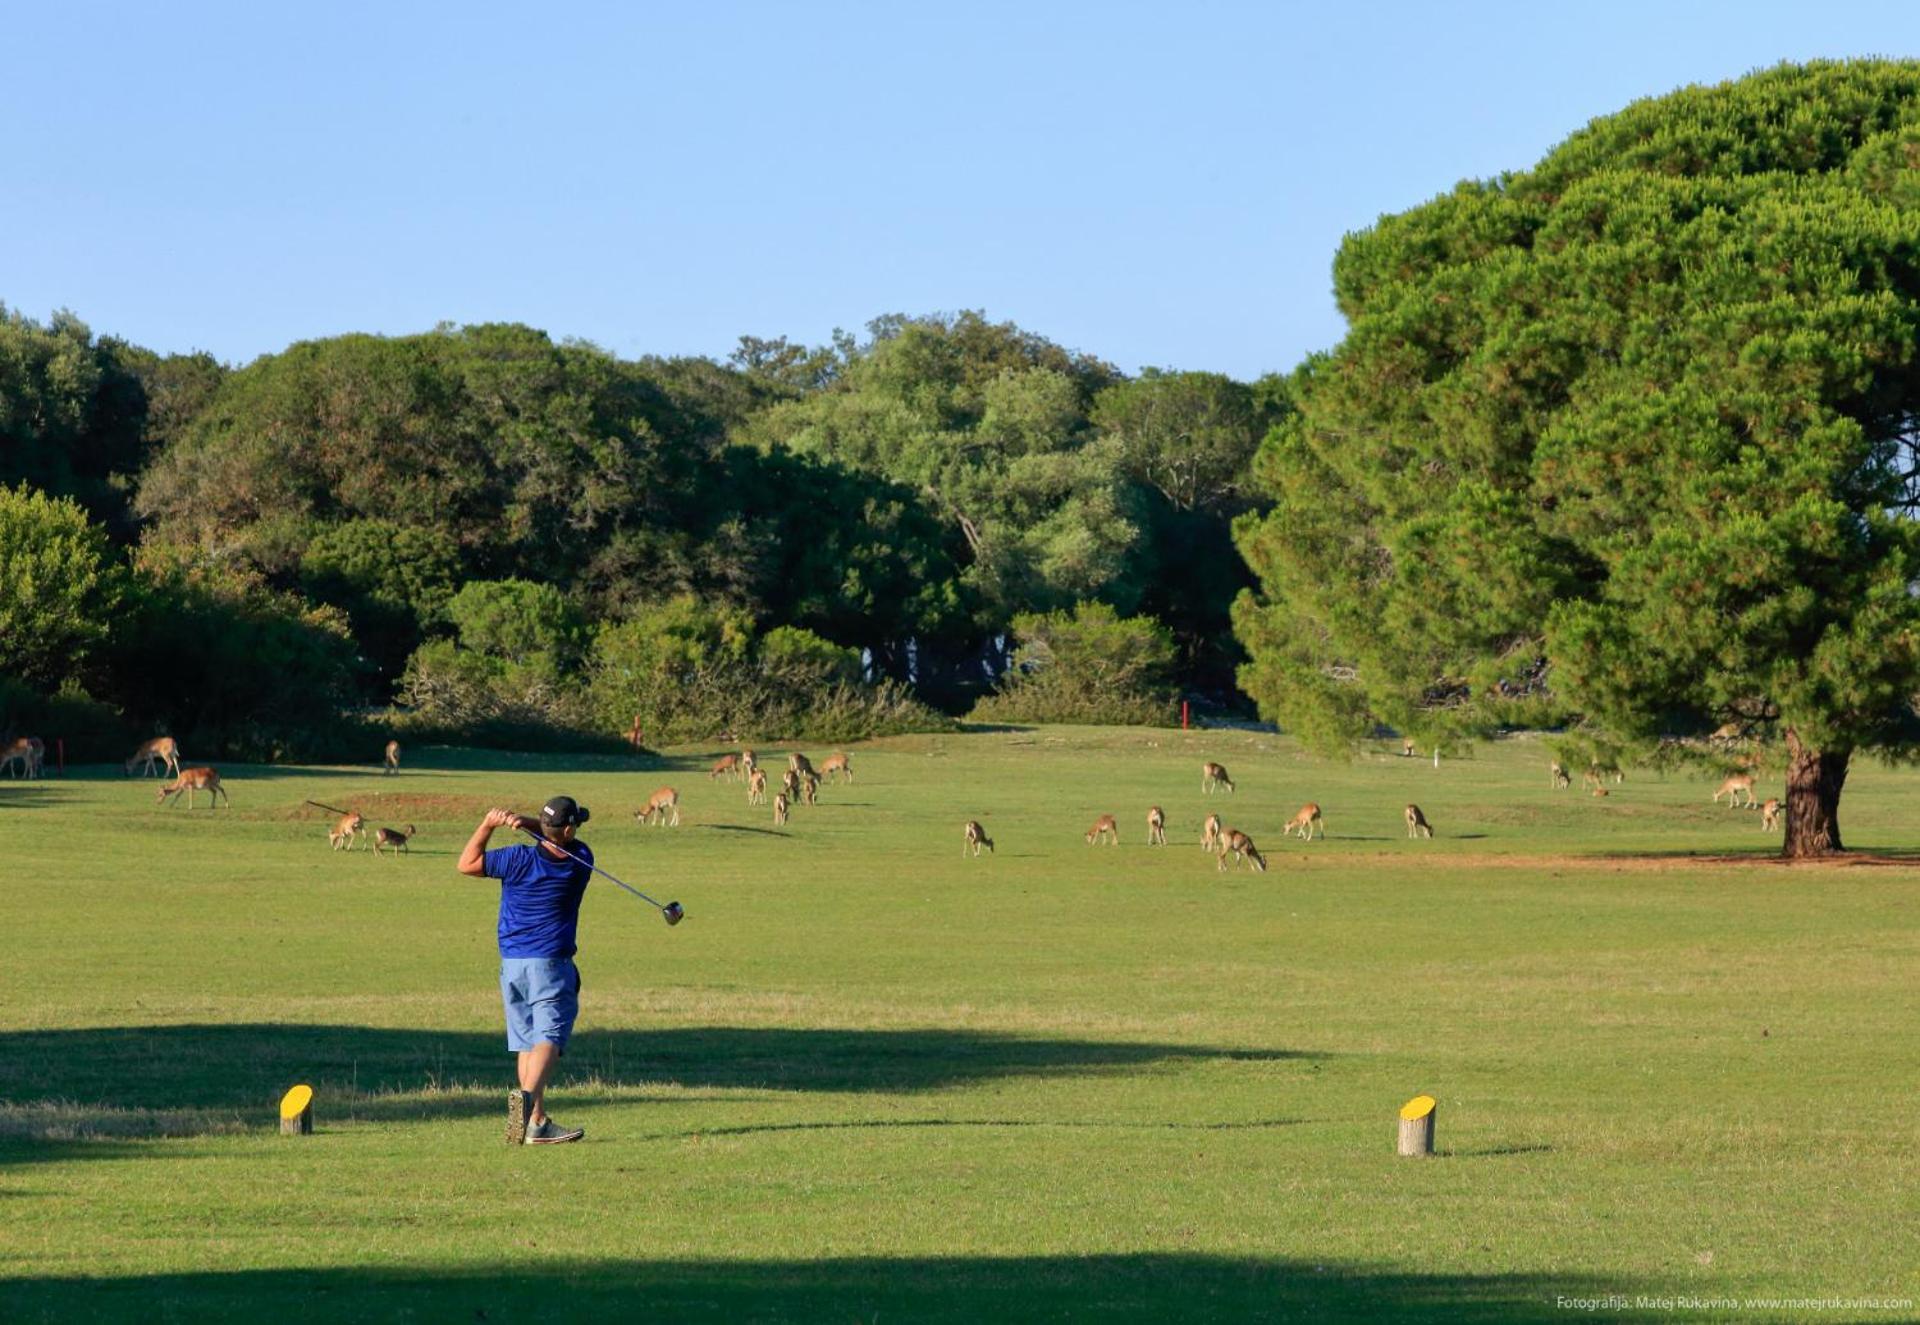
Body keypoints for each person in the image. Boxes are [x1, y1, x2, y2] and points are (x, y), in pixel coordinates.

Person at [457, 796, 595, 1145]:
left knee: (527, 1043)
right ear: (568, 829)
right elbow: (559, 841)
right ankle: (526, 1099)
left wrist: (489, 825)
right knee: (549, 1036)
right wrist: (530, 824)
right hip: (550, 963)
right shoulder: (580, 860)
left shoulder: (516, 858)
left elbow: (467, 863)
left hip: (512, 964)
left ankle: (536, 1123)